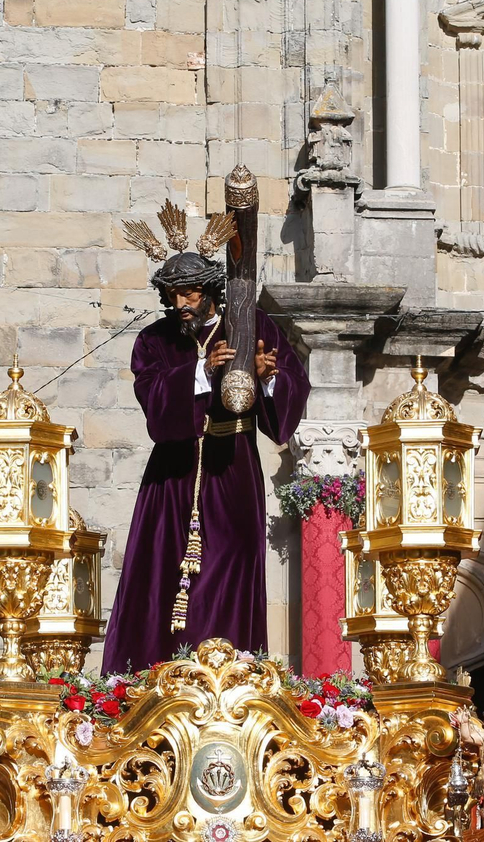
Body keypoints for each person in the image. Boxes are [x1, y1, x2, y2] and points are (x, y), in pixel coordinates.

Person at [102, 221, 309, 672]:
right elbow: (154, 403)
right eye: (173, 295)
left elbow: (291, 394)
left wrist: (268, 378)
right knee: (162, 577)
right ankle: (157, 684)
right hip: (172, 480)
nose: (181, 304)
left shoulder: (256, 327)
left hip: (232, 471)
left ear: (211, 290)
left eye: (190, 294)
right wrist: (202, 373)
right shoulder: (153, 340)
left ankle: (230, 679)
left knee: (228, 573)